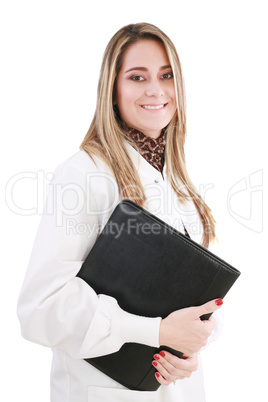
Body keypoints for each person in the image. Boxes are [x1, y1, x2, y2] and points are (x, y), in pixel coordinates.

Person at [17, 23, 223, 402]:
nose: (155, 90)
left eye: (166, 75)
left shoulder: (179, 184)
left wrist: (190, 348)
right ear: (113, 90)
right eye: (137, 77)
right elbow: (40, 309)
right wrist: (157, 332)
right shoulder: (82, 174)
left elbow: (198, 305)